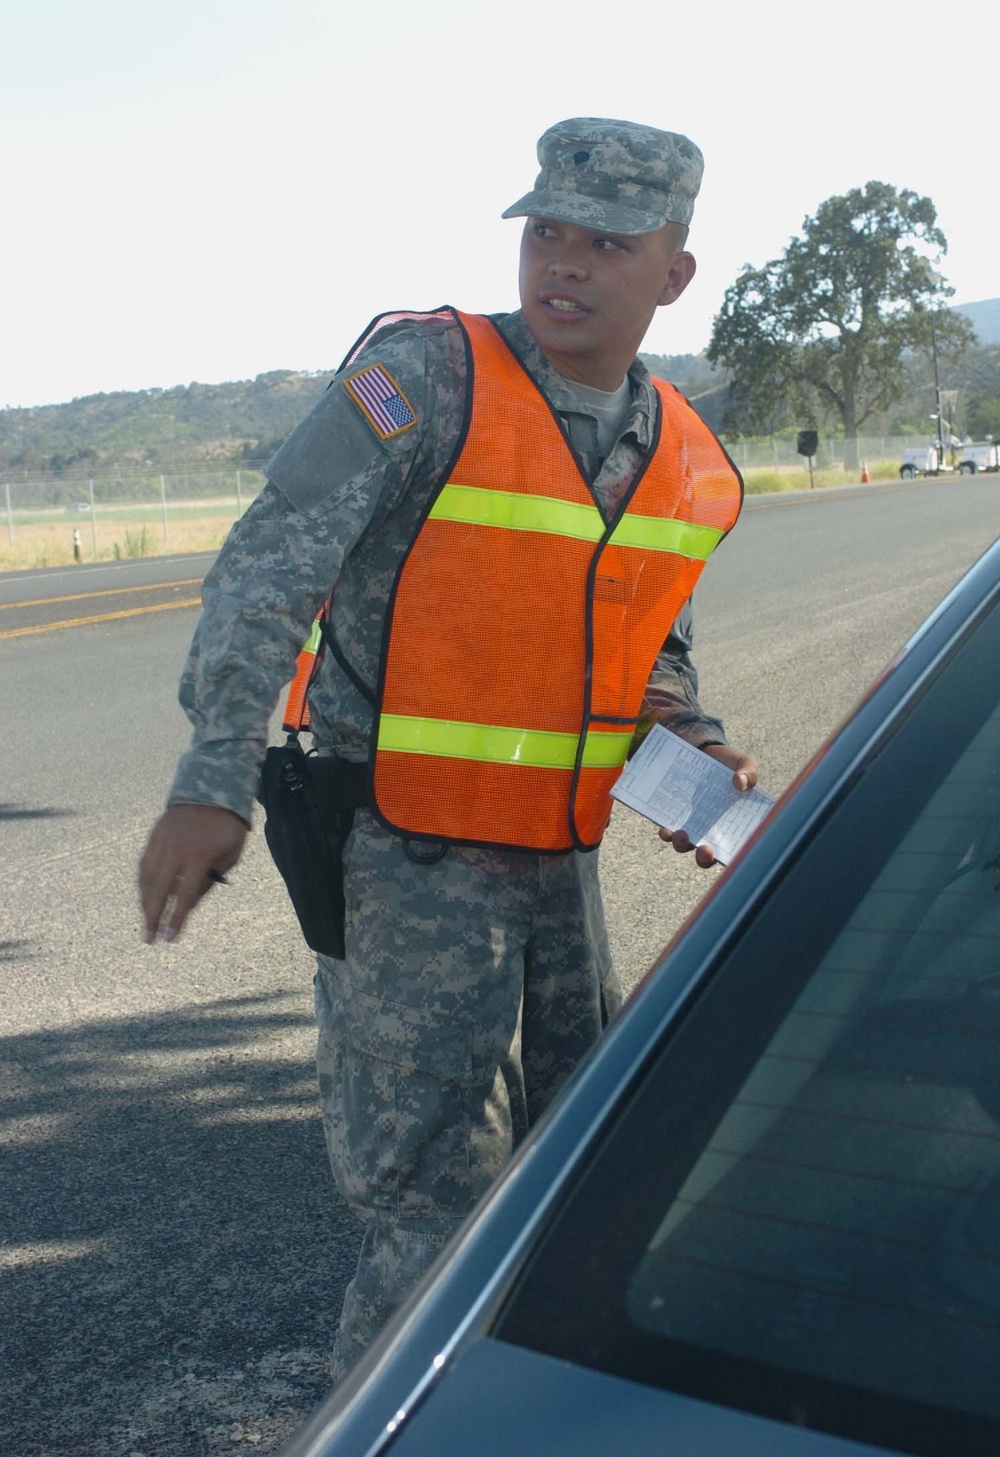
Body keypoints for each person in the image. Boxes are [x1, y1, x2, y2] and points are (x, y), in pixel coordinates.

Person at [138, 116, 757, 1380]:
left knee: (573, 1185)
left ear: (673, 272)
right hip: (405, 863)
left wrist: (694, 746)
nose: (563, 266)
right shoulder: (424, 375)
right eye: (545, 232)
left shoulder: (687, 460)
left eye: (606, 242)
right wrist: (213, 776)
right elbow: (269, 564)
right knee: (431, 1217)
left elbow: (646, 661)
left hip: (558, 882)